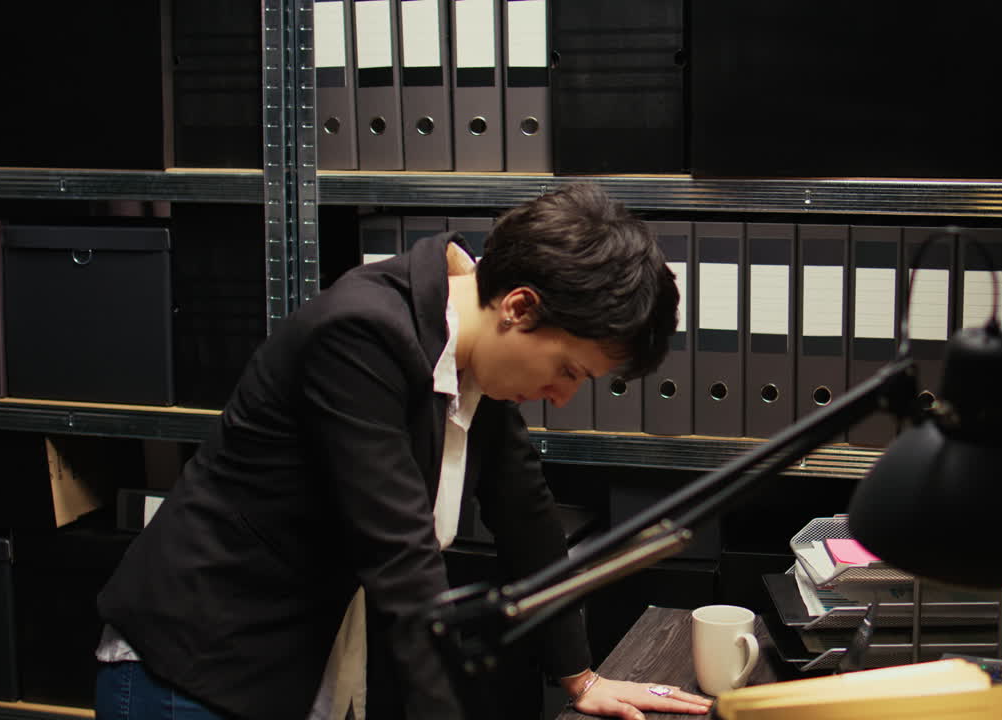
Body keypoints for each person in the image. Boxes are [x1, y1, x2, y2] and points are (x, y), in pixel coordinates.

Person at [94, 183, 712, 720]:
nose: (562, 396)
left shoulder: (473, 352)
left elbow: (526, 514)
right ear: (519, 307)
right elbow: (401, 564)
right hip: (196, 664)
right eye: (568, 370)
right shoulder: (360, 336)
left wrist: (581, 678)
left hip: (294, 661)